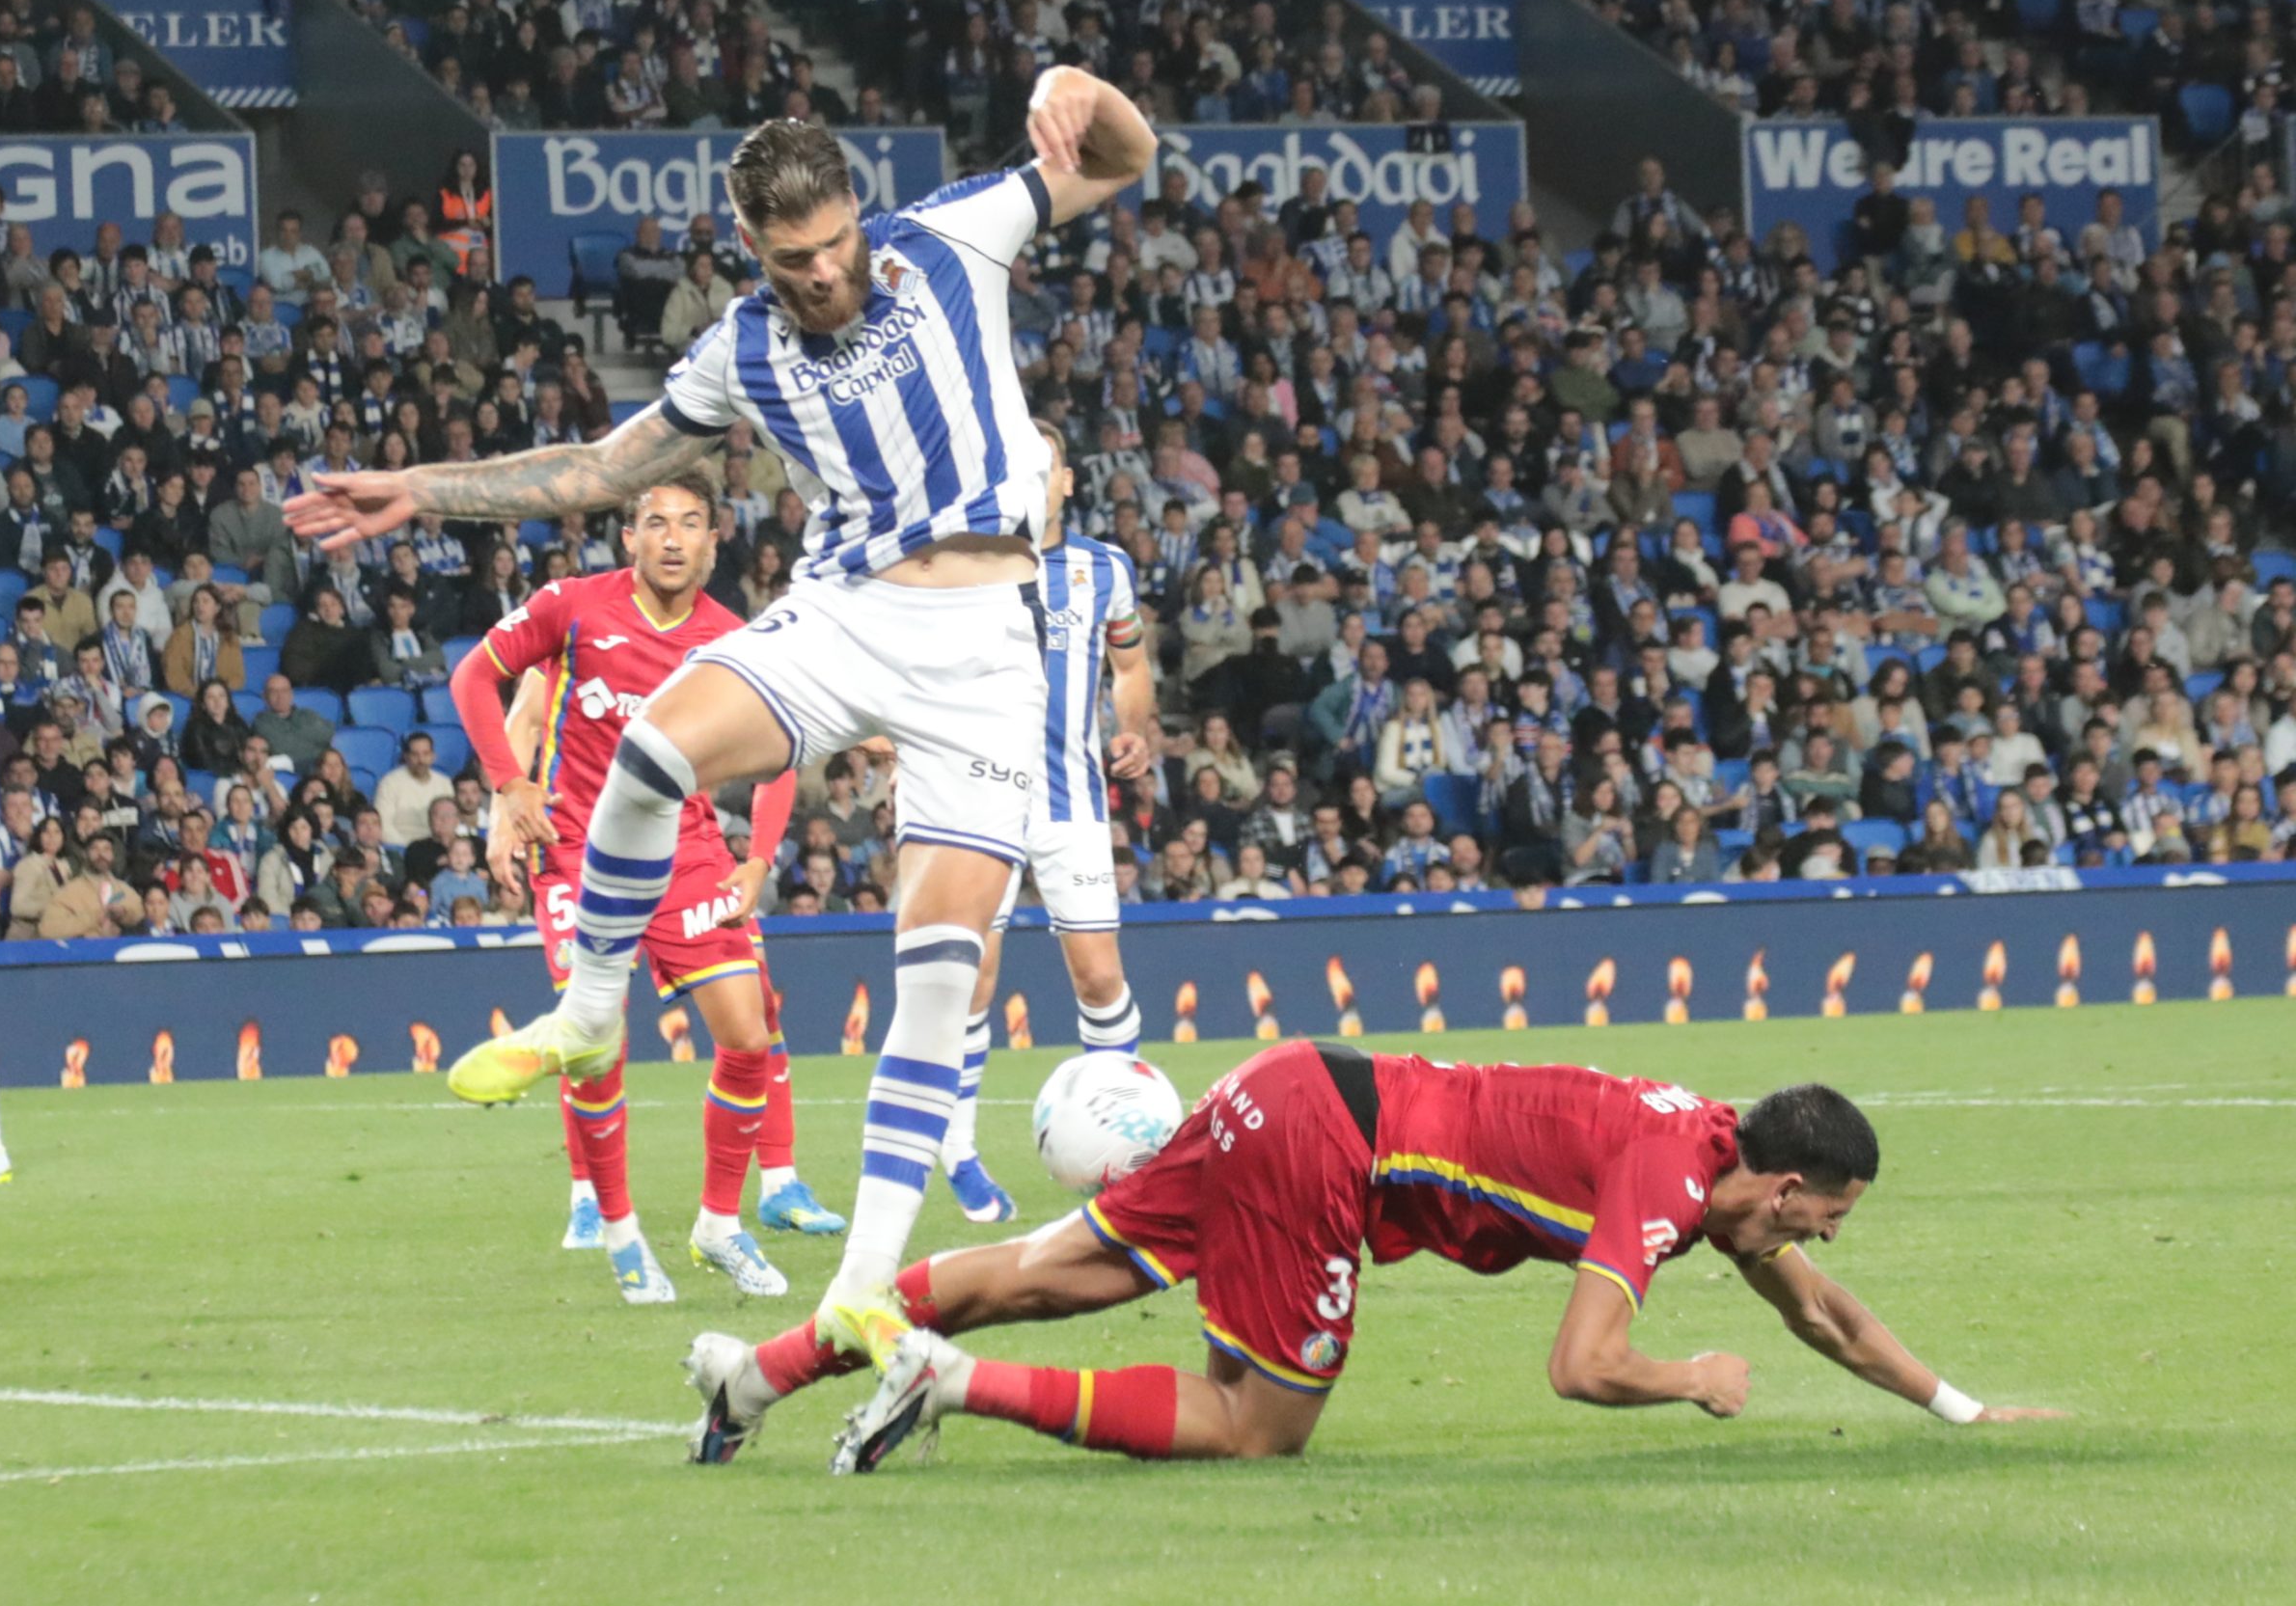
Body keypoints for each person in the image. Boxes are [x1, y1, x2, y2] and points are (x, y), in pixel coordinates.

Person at [287, 75, 1160, 1363]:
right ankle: (590, 1009)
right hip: (848, 609)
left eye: (836, 244)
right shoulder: (739, 349)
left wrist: (1083, 94)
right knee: (651, 748)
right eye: (795, 257)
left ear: (860, 215)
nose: (825, 273)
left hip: (986, 647)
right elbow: (594, 469)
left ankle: (863, 1286)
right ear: (753, 246)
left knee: (934, 980)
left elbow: (1124, 159)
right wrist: (420, 489)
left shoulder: (954, 234)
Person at [689, 1044, 2062, 1470]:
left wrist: (1959, 1406)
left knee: (1050, 1274)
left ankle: (758, 1374)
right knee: (1254, 1427)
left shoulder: (1718, 1167)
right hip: (1324, 1151)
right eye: (1828, 1213)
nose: (1823, 1240)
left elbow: (1826, 1320)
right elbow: (1581, 1367)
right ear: (1782, 1180)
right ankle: (953, 1385)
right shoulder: (1665, 1183)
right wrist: (1685, 1373)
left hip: (1285, 1086)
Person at [448, 468, 840, 1305]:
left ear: (713, 537)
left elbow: (784, 752)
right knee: (598, 1042)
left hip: (687, 855)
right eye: (654, 522)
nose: (670, 537)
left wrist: (757, 859)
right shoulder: (572, 605)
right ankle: (620, 1232)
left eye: (689, 522)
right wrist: (509, 788)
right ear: (628, 537)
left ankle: (718, 1223)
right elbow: (472, 680)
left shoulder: (736, 640)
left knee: (746, 1034)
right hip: (576, 851)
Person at [951, 423, 1154, 1222]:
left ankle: (1127, 1146)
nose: (1032, 482)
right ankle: (959, 1151)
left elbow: (1130, 664)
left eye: (1045, 469)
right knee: (975, 978)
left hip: (1072, 797)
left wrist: (1132, 724)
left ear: (1067, 481)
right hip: (980, 798)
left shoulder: (1106, 570)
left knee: (1100, 976)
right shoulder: (965, 567)